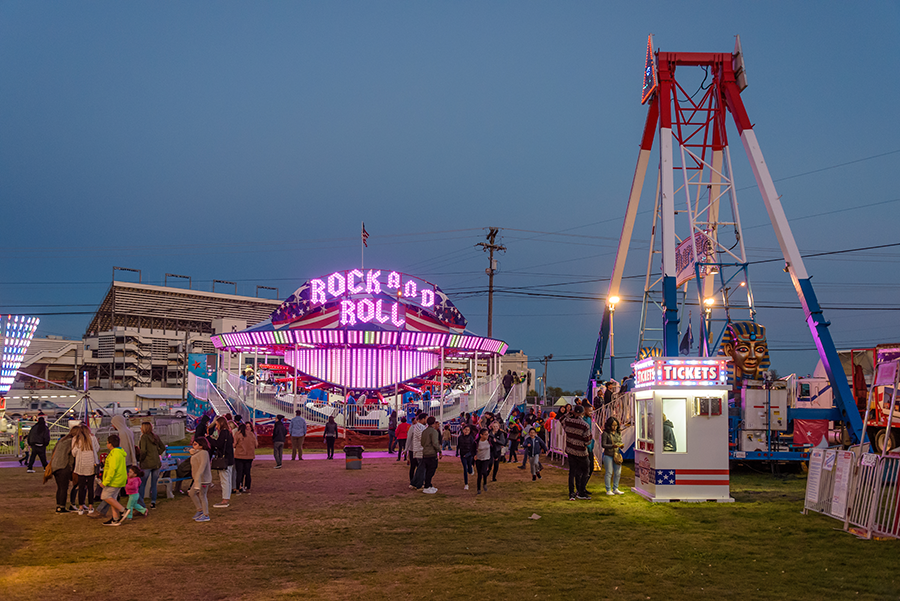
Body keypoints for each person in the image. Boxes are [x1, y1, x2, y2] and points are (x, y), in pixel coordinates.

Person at [563, 405, 591, 501]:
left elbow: (561, 418)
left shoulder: (568, 421)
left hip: (570, 450)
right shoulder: (585, 425)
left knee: (572, 472)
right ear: (583, 413)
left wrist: (569, 413)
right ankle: (581, 491)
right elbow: (588, 440)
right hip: (581, 452)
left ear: (574, 412)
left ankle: (571, 493)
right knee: (585, 471)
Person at [72, 424, 100, 515]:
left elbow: (74, 452)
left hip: (81, 466)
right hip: (91, 464)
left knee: (81, 487)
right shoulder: (92, 438)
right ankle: (91, 506)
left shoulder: (76, 439)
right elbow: (97, 448)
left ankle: (81, 507)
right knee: (91, 486)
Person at [101, 434, 129, 526]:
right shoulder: (120, 453)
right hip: (120, 479)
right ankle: (115, 518)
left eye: (107, 443)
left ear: (111, 444)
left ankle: (123, 510)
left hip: (114, 480)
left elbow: (112, 469)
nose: (106, 444)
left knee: (105, 496)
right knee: (113, 498)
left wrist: (105, 482)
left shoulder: (114, 454)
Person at [138, 421, 166, 509]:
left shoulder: (144, 438)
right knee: (154, 483)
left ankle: (140, 501)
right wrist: (157, 454)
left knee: (142, 483)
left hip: (147, 463)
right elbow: (163, 447)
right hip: (156, 463)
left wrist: (140, 460)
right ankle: (153, 502)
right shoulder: (155, 437)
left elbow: (143, 451)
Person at [50, 428, 76, 513]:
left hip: (55, 466)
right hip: (63, 466)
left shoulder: (62, 440)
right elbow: (72, 456)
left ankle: (58, 505)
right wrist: (71, 468)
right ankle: (62, 507)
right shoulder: (71, 442)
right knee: (64, 488)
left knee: (60, 487)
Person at [211, 416, 235, 508]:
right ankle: (226, 498)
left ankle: (225, 499)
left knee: (224, 480)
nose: (216, 427)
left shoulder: (223, 433)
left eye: (217, 424)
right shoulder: (228, 433)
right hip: (229, 459)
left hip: (224, 460)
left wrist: (210, 440)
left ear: (221, 423)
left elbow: (219, 444)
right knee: (227, 480)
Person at [189, 436, 213, 522]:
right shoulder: (196, 453)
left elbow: (202, 466)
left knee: (202, 495)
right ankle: (199, 510)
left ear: (201, 445)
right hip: (197, 479)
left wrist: (198, 477)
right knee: (192, 493)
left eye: (195, 444)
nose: (193, 446)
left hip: (203, 479)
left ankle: (206, 514)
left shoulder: (204, 453)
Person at [602, 417, 625, 495]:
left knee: (618, 472)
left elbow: (620, 441)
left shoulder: (618, 433)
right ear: (609, 425)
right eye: (613, 425)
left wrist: (620, 445)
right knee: (609, 472)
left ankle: (615, 488)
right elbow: (603, 444)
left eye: (616, 425)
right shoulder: (605, 433)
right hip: (608, 454)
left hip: (616, 454)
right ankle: (608, 489)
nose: (614, 427)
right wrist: (612, 446)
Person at [233, 420, 258, 492]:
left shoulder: (238, 434)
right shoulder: (252, 435)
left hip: (239, 456)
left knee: (239, 472)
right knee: (247, 472)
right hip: (249, 456)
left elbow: (234, 444)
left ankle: (238, 487)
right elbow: (256, 445)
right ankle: (247, 487)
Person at [406, 413, 427, 489]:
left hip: (416, 449)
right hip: (417, 450)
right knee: (418, 467)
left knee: (419, 467)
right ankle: (416, 483)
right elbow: (421, 438)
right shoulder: (417, 427)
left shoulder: (419, 427)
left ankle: (415, 482)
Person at [420, 417, 441, 494]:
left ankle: (428, 485)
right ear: (434, 423)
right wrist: (439, 451)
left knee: (427, 470)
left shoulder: (424, 431)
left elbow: (422, 443)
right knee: (431, 470)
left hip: (425, 453)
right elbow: (435, 443)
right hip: (431, 453)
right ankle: (427, 486)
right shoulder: (434, 432)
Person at [456, 424, 476, 490]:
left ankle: (471, 469)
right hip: (462, 455)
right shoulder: (460, 437)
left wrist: (469, 454)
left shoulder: (471, 438)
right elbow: (458, 445)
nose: (467, 431)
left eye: (468, 430)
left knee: (469, 467)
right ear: (463, 430)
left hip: (469, 455)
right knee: (465, 468)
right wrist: (457, 453)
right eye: (465, 429)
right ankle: (466, 484)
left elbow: (473, 447)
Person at [474, 428, 492, 495]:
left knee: (484, 472)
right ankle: (478, 489)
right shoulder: (477, 442)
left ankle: (484, 483)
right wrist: (474, 455)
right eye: (485, 435)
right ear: (481, 435)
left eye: (487, 434)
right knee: (479, 475)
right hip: (479, 459)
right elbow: (472, 449)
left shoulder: (489, 440)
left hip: (486, 459)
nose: (487, 436)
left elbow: (493, 447)